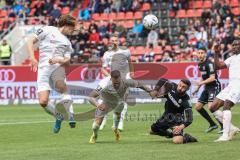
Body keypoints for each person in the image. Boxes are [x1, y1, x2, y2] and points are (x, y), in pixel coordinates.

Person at [27, 14, 77, 133]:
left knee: (62, 88)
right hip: (43, 69)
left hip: (57, 68)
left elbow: (67, 61)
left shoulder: (67, 43)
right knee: (43, 102)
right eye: (71, 28)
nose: (72, 31)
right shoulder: (47, 30)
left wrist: (58, 60)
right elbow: (30, 40)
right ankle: (58, 116)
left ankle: (71, 115)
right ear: (65, 25)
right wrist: (32, 57)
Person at [88, 70, 151, 144]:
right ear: (111, 79)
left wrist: (150, 91)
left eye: (118, 83)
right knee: (96, 125)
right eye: (115, 83)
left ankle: (115, 129)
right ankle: (94, 135)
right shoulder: (103, 83)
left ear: (120, 78)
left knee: (117, 115)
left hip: (119, 101)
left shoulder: (126, 81)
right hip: (106, 102)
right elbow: (91, 97)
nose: (117, 85)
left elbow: (140, 85)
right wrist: (98, 105)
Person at [100, 34, 134, 131]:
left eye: (116, 40)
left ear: (118, 42)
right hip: (112, 78)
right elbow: (103, 68)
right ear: (110, 42)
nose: (114, 42)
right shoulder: (106, 54)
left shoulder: (125, 51)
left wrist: (132, 72)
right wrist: (109, 77)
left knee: (123, 99)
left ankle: (120, 123)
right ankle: (104, 120)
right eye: (112, 41)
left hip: (124, 76)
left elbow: (130, 62)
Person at [149, 78, 198, 144]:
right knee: (152, 131)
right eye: (180, 85)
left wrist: (181, 127)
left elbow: (189, 118)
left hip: (176, 120)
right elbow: (162, 80)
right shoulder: (172, 86)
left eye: (184, 87)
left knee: (177, 141)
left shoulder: (186, 101)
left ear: (187, 89)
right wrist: (156, 90)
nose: (180, 88)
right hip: (165, 116)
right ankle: (171, 135)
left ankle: (187, 137)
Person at [209, 40, 240, 142]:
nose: (234, 46)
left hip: (238, 85)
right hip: (231, 85)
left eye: (237, 45)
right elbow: (218, 66)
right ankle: (232, 128)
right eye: (233, 45)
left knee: (227, 105)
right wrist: (216, 53)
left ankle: (225, 135)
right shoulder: (231, 58)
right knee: (213, 107)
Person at [192, 47, 223, 133]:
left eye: (202, 53)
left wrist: (200, 84)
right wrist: (197, 89)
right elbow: (203, 76)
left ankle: (223, 126)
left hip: (214, 86)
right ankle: (212, 124)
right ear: (197, 54)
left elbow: (212, 78)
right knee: (198, 107)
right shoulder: (199, 64)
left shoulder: (209, 64)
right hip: (207, 87)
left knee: (211, 107)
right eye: (199, 53)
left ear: (205, 53)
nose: (200, 54)